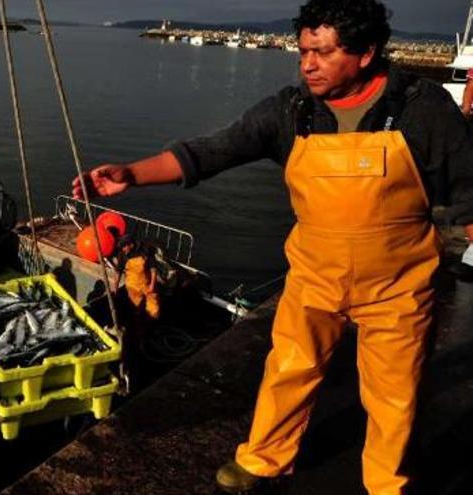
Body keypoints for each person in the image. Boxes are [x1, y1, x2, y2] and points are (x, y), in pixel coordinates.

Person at [71, 1, 473, 494]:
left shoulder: (421, 108)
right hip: (314, 275)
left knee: (395, 392)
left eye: (322, 54)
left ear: (366, 52)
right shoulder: (293, 110)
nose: (307, 64)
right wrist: (130, 175)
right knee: (289, 368)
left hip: (399, 284)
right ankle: (264, 458)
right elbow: (214, 150)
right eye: (303, 51)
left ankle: (389, 482)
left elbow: (468, 193)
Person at [115, 235, 161, 321]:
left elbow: (153, 269)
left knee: (154, 308)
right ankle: (139, 319)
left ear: (130, 245)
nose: (123, 250)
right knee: (136, 307)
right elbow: (118, 273)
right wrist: (115, 288)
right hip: (132, 286)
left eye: (124, 247)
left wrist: (152, 285)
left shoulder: (145, 251)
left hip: (146, 284)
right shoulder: (122, 255)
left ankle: (154, 321)